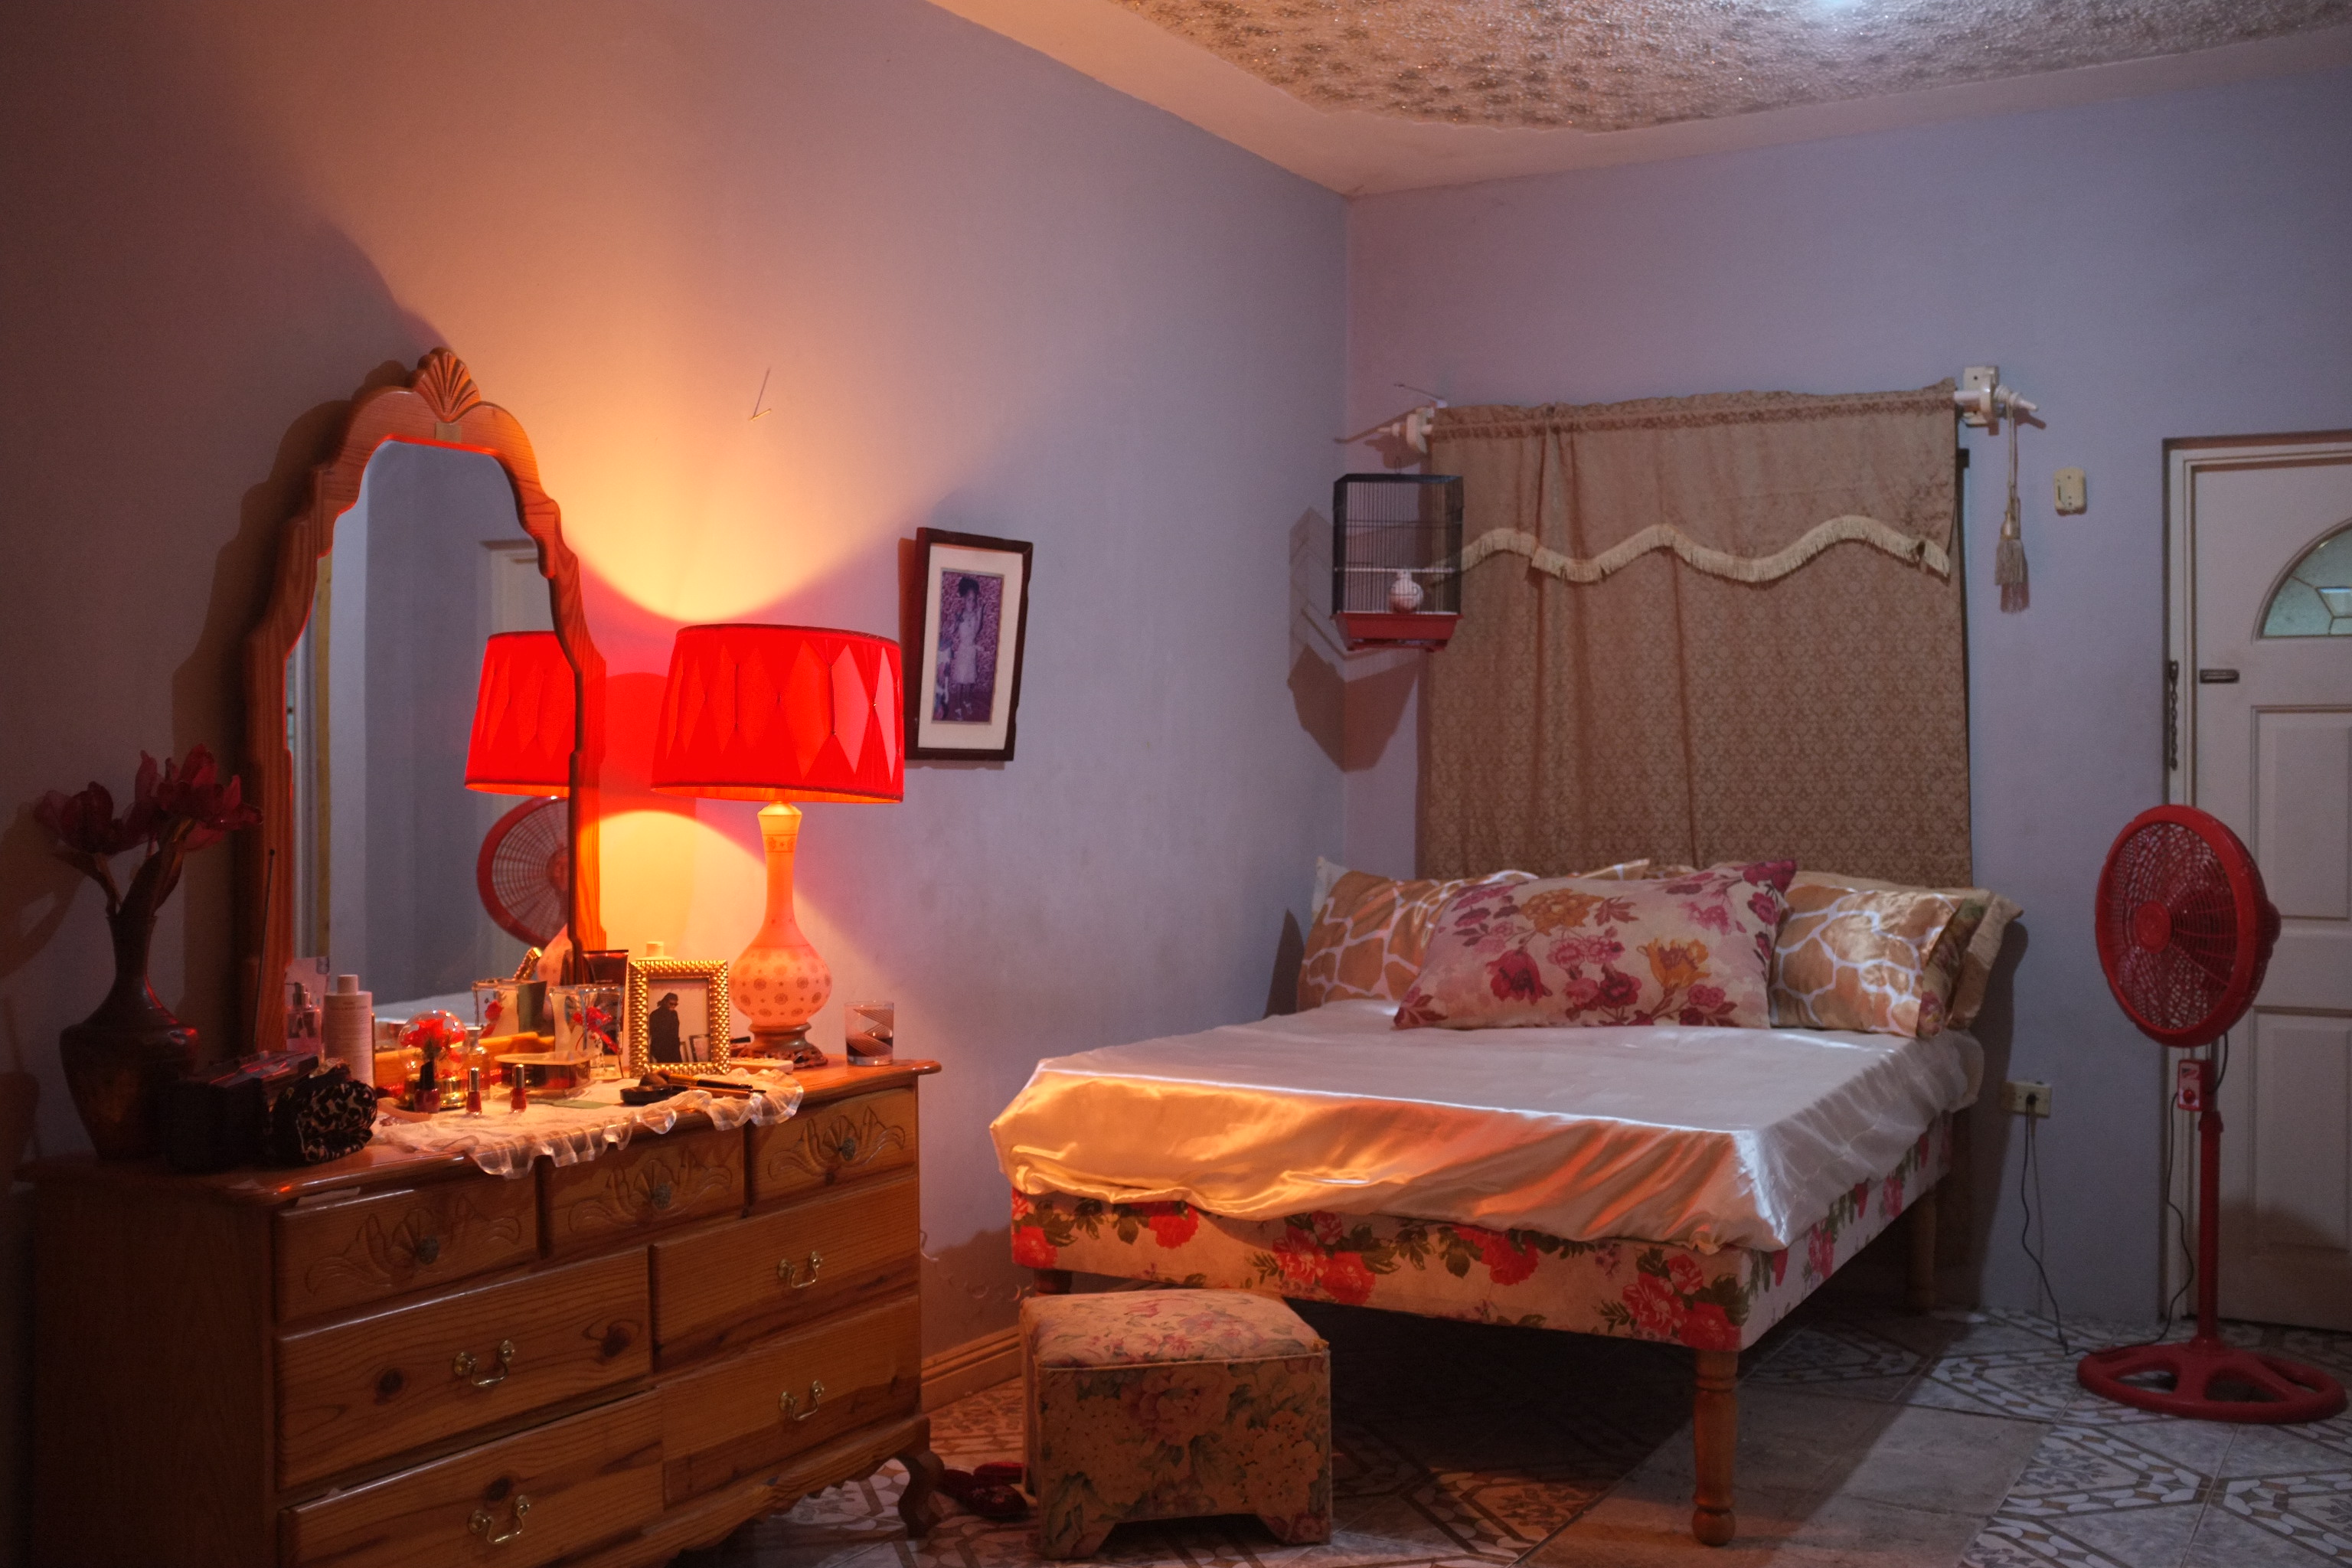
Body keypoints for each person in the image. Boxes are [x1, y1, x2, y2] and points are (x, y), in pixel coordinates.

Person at [648, 992, 683, 1064]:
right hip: (661, 1048)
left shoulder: (674, 1013)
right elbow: (651, 1032)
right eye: (671, 1004)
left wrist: (677, 1044)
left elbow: (675, 1031)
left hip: (674, 1047)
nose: (673, 1006)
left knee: (678, 1067)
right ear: (665, 1002)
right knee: (664, 1068)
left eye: (675, 1004)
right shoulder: (655, 1014)